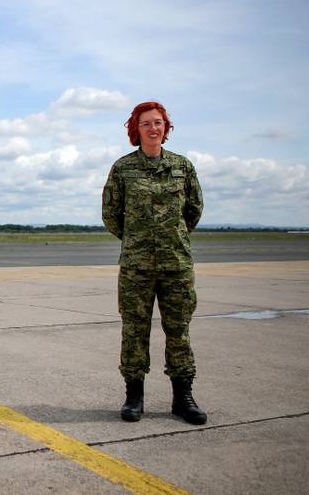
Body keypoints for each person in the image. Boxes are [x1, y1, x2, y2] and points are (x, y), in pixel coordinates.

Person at [101, 101, 207, 425]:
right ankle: (134, 397)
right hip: (136, 266)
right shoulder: (122, 169)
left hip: (176, 264)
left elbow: (194, 210)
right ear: (137, 129)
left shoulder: (182, 167)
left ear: (166, 127)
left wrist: (170, 238)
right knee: (134, 331)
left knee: (179, 332)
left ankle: (183, 397)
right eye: (146, 123)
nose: (153, 128)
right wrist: (138, 240)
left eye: (158, 122)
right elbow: (110, 215)